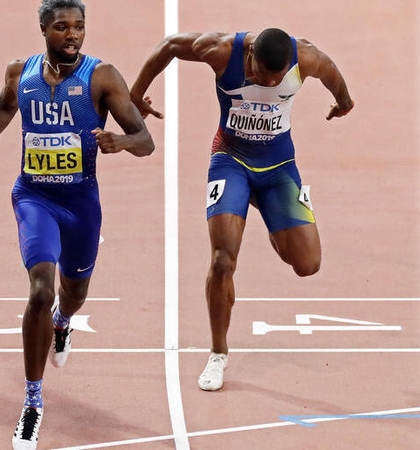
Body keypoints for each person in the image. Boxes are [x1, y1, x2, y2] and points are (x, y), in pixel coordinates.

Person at [0, 0, 155, 447]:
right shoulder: (19, 72)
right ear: (43, 29)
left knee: (73, 293)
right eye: (62, 27)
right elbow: (6, 105)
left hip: (81, 203)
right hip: (34, 196)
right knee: (40, 289)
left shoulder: (101, 76)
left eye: (79, 27)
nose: (72, 35)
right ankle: (32, 402)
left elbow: (147, 140)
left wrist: (120, 142)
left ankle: (64, 323)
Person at [130, 28, 353, 391]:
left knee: (307, 265)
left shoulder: (307, 58)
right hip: (230, 162)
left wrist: (344, 102)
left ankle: (269, 216)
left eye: (273, 80)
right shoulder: (220, 50)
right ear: (250, 55)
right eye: (259, 75)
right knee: (222, 259)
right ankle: (218, 353)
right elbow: (169, 45)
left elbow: (334, 77)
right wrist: (134, 95)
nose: (265, 82)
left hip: (279, 166)